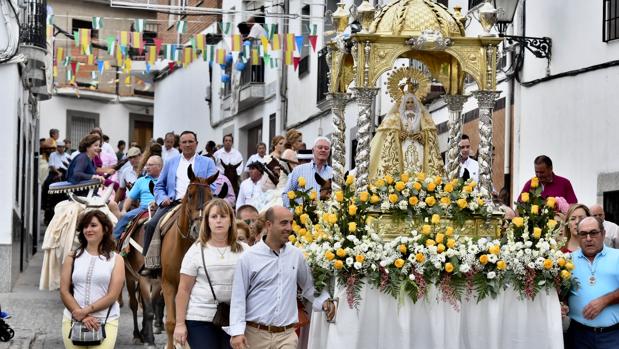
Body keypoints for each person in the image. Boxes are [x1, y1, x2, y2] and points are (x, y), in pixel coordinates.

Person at [229, 206, 336, 349]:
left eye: (291, 223)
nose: (289, 228)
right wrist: (236, 332)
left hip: (287, 337)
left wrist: (324, 301)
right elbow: (238, 297)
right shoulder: (248, 257)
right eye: (284, 223)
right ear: (269, 225)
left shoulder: (296, 255)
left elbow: (309, 286)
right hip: (254, 336)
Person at [173, 199, 248, 349]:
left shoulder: (245, 250)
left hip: (234, 319)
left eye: (223, 216)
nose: (219, 221)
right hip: (199, 318)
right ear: (206, 221)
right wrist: (180, 324)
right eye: (214, 217)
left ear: (231, 220)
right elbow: (184, 289)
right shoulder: (195, 251)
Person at [141, 131, 218, 274]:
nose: (187, 144)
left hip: (199, 205)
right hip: (173, 204)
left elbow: (213, 186)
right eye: (184, 142)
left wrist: (201, 197)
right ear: (180, 145)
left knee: (219, 226)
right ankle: (149, 263)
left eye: (190, 141)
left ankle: (219, 261)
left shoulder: (207, 162)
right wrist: (162, 198)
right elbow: (159, 186)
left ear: (196, 143)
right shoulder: (171, 162)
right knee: (151, 224)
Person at [59, 210, 125, 349]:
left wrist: (86, 311)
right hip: (73, 319)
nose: (88, 229)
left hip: (105, 321)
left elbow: (113, 295)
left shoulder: (116, 260)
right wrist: (82, 315)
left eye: (93, 225)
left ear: (105, 229)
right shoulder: (72, 257)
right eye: (85, 226)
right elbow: (64, 291)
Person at [566, 216, 619, 348]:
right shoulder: (567, 261)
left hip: (612, 336)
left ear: (603, 233)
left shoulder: (617, 256)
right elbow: (562, 291)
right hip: (578, 336)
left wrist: (605, 300)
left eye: (594, 233)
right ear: (578, 237)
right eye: (583, 234)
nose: (588, 238)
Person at [369, 88, 444, 180]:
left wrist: (422, 135)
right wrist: (398, 135)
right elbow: (390, 132)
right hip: (403, 145)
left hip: (418, 145)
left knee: (419, 164)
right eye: (408, 102)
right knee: (404, 165)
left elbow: (429, 132)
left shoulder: (422, 116)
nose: (410, 104)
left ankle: (419, 182)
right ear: (404, 103)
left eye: (412, 102)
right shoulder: (397, 116)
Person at [112, 155, 162, 240]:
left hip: (161, 208)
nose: (147, 167)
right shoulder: (141, 181)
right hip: (144, 208)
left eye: (150, 165)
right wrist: (124, 210)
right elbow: (130, 198)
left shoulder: (165, 180)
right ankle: (114, 242)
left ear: (159, 167)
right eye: (147, 165)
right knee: (124, 217)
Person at [282, 137, 333, 207]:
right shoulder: (299, 170)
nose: (323, 150)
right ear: (313, 150)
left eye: (326, 148)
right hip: (302, 215)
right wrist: (294, 211)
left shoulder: (333, 173)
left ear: (329, 152)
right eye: (320, 147)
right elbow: (286, 194)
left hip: (327, 216)